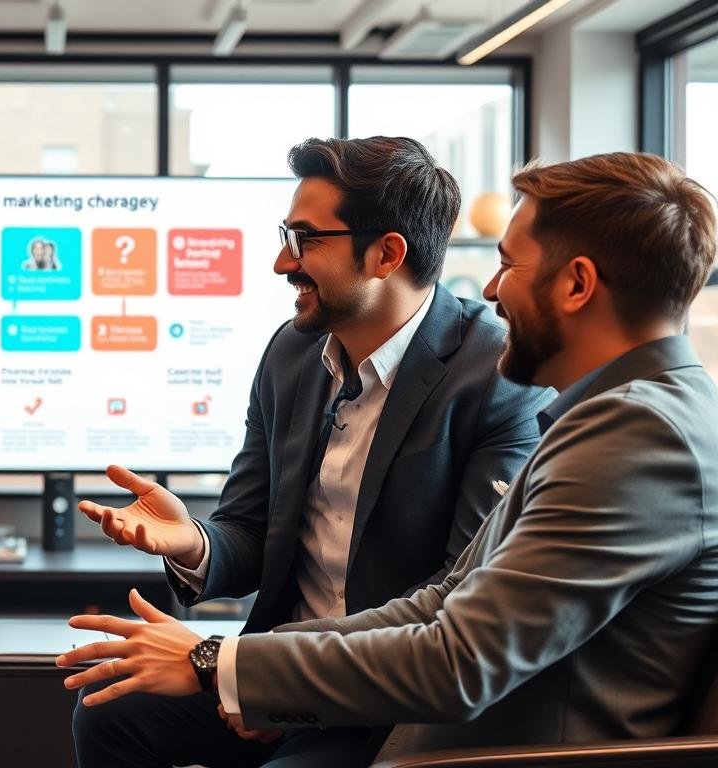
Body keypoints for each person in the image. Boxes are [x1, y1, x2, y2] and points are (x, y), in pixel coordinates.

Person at [60, 152, 718, 766]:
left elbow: (457, 663)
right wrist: (230, 660)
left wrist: (218, 663)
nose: (490, 289)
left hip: (480, 743)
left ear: (576, 284)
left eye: (509, 264)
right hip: (429, 703)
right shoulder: (619, 412)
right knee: (110, 710)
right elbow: (448, 598)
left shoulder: (638, 431)